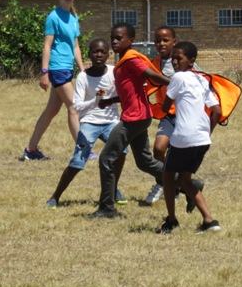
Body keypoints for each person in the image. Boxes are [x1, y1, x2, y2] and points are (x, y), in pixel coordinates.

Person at [89, 23, 171, 219]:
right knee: (144, 162)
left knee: (107, 159)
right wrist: (111, 100)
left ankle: (107, 208)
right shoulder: (124, 62)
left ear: (131, 40)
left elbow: (151, 75)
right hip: (140, 117)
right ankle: (189, 184)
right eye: (113, 38)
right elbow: (131, 91)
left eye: (119, 38)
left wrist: (176, 83)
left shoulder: (132, 59)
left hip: (134, 119)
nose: (115, 41)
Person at [46, 39, 127, 208]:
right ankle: (55, 195)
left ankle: (112, 189)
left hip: (111, 122)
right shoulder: (83, 77)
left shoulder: (114, 72)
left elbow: (124, 95)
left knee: (122, 152)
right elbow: (77, 106)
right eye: (95, 52)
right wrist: (96, 100)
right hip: (90, 122)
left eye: (102, 52)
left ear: (108, 54)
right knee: (78, 162)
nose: (99, 55)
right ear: (89, 54)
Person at [157, 42, 222, 234]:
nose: (175, 61)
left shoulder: (177, 77)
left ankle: (171, 221)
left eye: (179, 58)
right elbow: (217, 111)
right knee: (185, 179)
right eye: (173, 58)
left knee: (168, 176)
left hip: (183, 137)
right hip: (202, 140)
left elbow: (165, 106)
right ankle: (209, 220)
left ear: (191, 60)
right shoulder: (202, 80)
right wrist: (206, 131)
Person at [22, 0, 85, 161]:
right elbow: (47, 46)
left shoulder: (74, 17)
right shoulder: (53, 17)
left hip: (67, 68)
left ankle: (31, 149)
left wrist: (82, 69)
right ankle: (82, 149)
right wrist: (44, 72)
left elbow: (75, 46)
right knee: (74, 106)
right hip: (57, 68)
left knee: (51, 110)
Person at [145, 25, 202, 205]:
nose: (161, 44)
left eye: (165, 40)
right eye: (157, 41)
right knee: (159, 150)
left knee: (180, 156)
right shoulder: (153, 64)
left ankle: (177, 184)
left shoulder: (185, 62)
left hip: (185, 116)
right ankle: (169, 183)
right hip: (167, 115)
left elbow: (201, 83)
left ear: (174, 41)